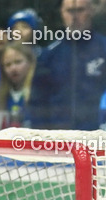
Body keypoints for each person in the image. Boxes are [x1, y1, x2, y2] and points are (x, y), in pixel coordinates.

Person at [30, 0, 106, 129]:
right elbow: (38, 102)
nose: (74, 17)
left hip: (99, 136)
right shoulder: (49, 55)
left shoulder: (103, 49)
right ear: (62, 13)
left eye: (80, 10)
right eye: (70, 11)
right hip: (58, 138)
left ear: (91, 11)